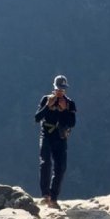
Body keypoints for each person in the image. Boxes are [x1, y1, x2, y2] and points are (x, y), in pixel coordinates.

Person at [35, 75, 76, 204]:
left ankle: (54, 198)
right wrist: (48, 106)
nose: (60, 91)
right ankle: (45, 194)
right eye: (59, 88)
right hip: (46, 135)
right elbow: (37, 118)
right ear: (54, 88)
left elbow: (72, 123)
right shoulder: (46, 99)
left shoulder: (69, 103)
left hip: (60, 137)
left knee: (60, 168)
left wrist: (64, 110)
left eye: (63, 89)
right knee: (45, 163)